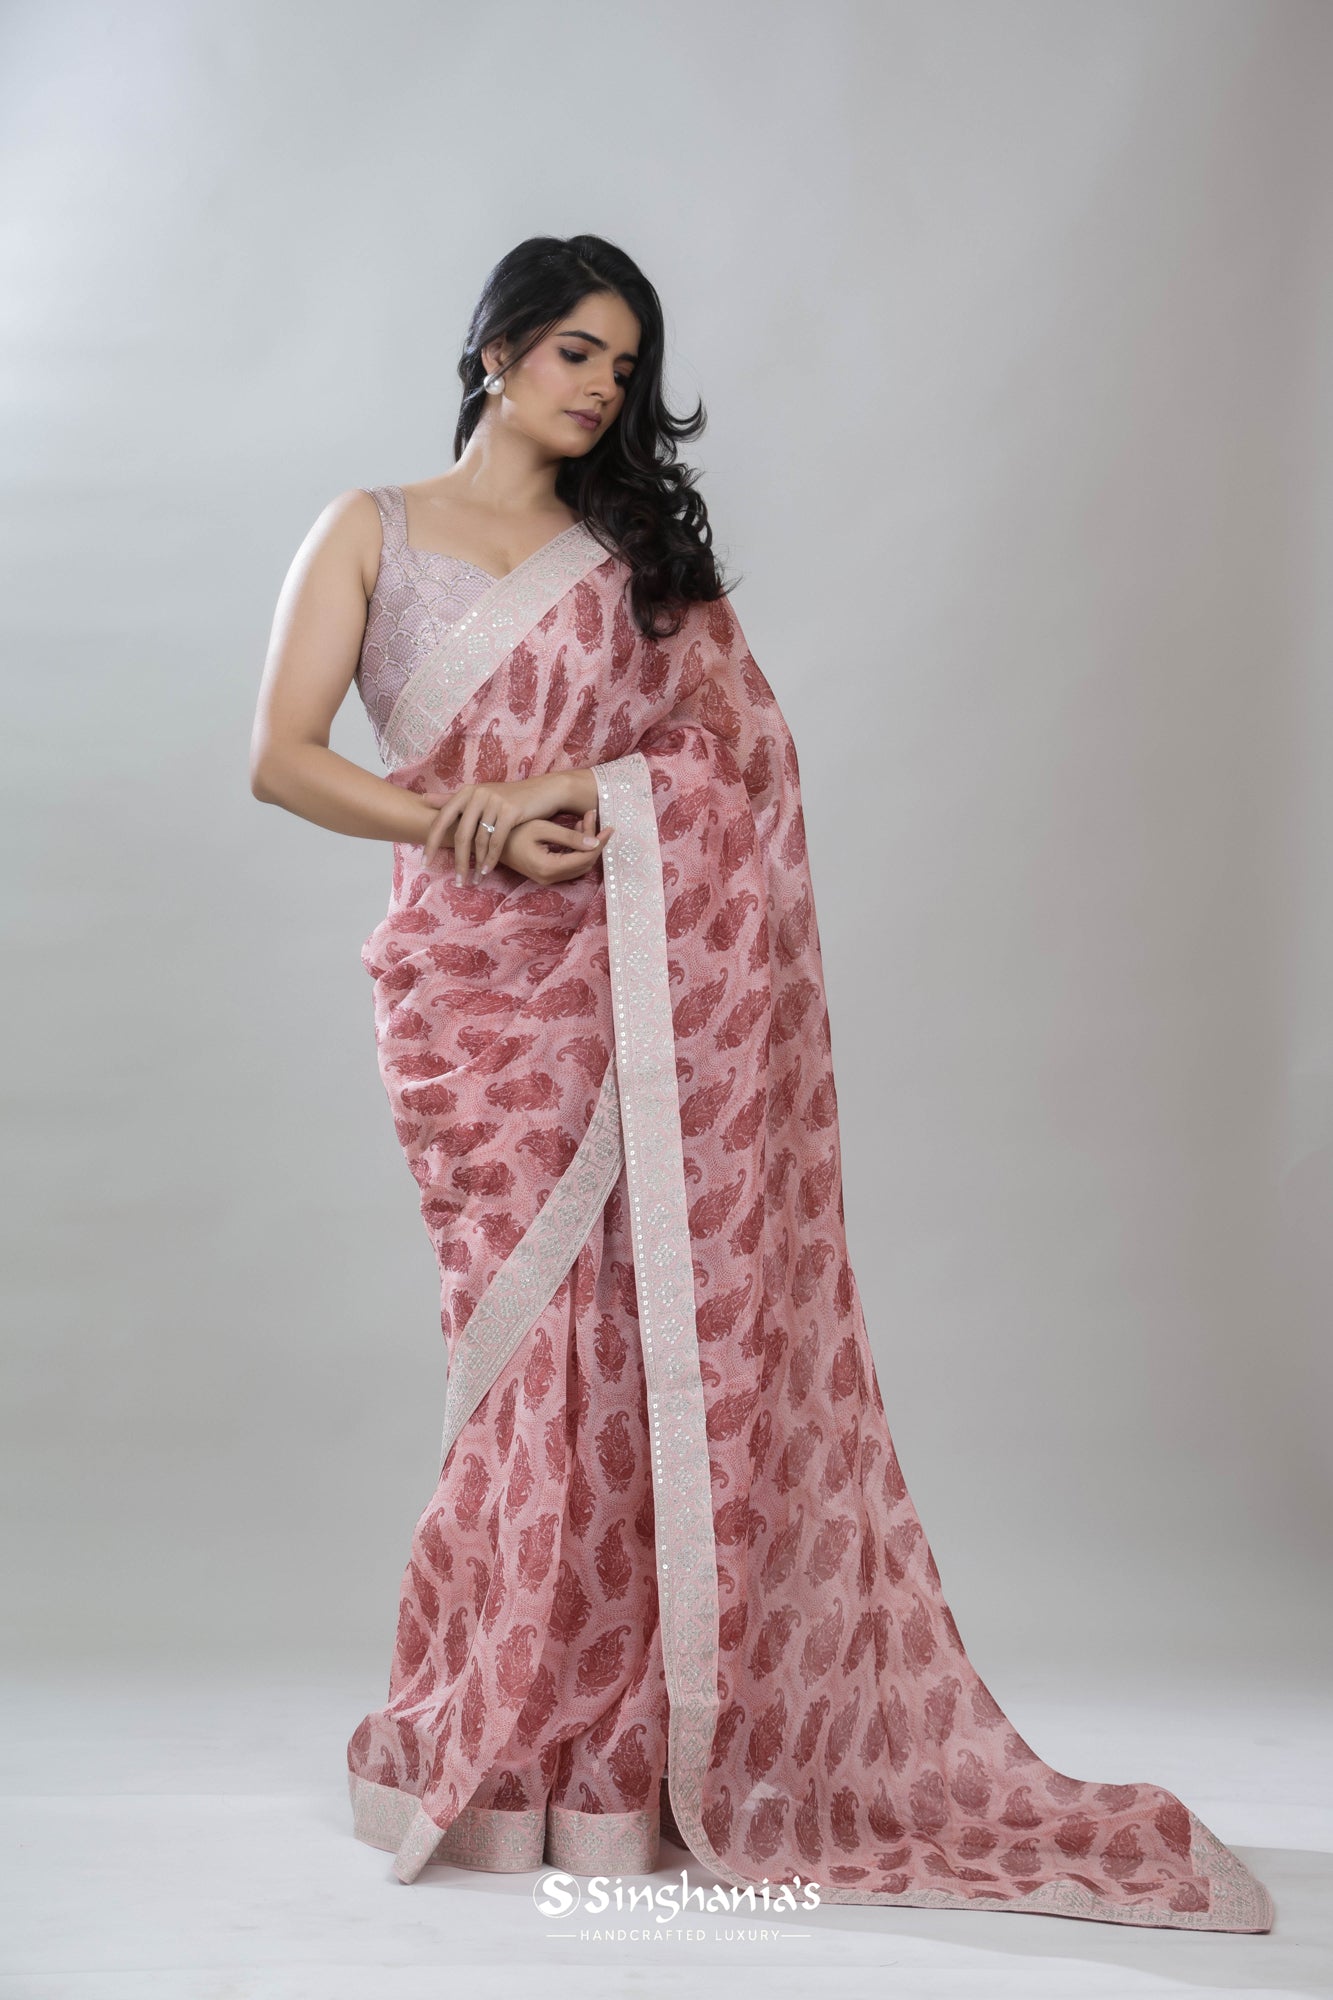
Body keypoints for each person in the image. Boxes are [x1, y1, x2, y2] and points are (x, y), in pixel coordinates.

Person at [249, 233, 1273, 1929]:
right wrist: (464, 820)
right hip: (468, 994)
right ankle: (502, 1724)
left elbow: (739, 766)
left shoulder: (630, 562)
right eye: (574, 350)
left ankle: (620, 1753)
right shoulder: (370, 529)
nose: (601, 385)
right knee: (522, 1353)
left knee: (623, 1352)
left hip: (624, 982)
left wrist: (581, 796)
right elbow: (281, 759)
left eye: (623, 364)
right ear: (494, 350)